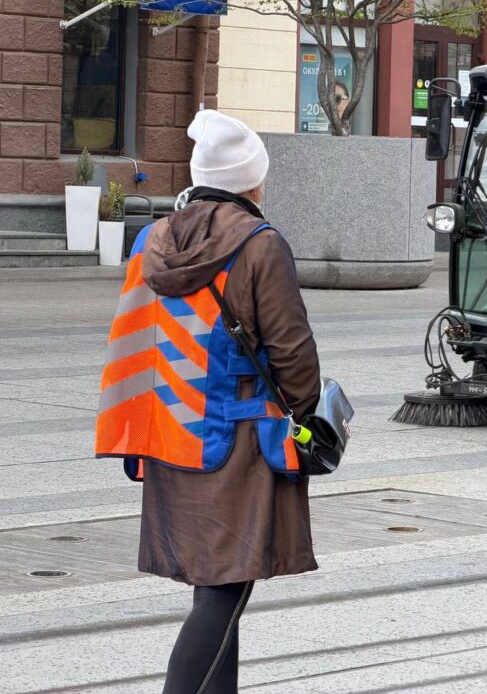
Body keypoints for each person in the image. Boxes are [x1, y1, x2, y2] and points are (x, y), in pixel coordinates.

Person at [95, 110, 321, 693]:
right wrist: (309, 414)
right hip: (239, 441)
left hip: (169, 434)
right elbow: (293, 351)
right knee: (227, 591)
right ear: (251, 181)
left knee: (215, 585)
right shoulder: (260, 244)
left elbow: (135, 342)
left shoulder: (151, 240)